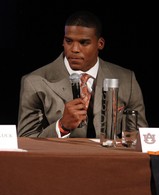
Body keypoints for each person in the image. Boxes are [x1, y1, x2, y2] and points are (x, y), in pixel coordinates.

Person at [17, 10, 148, 138]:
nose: (74, 49)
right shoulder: (35, 82)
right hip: (60, 159)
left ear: (100, 44)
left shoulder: (126, 80)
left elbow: (141, 138)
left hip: (109, 158)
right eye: (69, 41)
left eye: (84, 43)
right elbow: (25, 139)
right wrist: (62, 126)